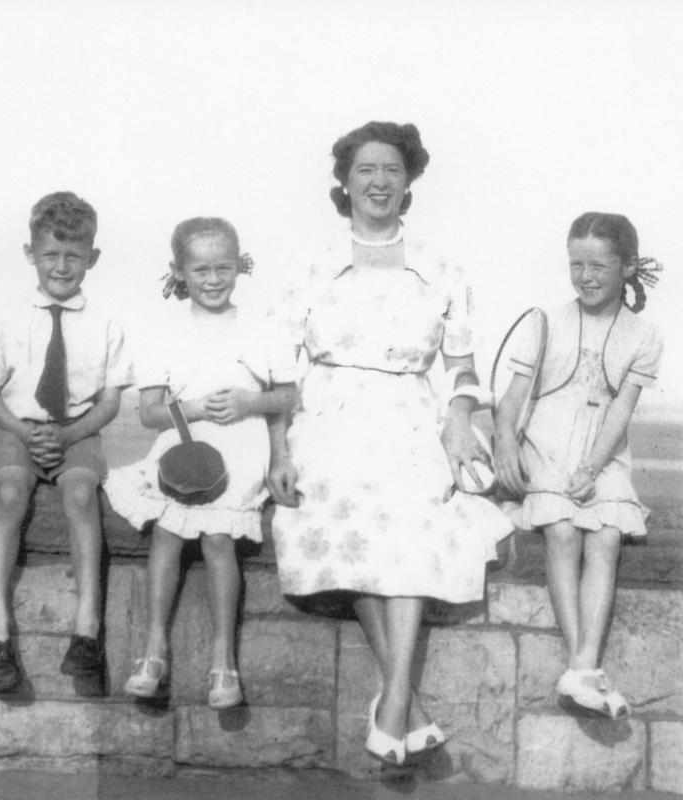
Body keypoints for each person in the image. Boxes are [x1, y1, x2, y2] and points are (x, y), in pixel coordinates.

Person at [267, 122, 512, 764]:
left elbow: (462, 367)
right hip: (327, 418)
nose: (379, 182)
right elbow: (278, 371)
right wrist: (279, 452)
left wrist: (460, 422)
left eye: (393, 171)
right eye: (366, 170)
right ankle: (404, 703)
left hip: (408, 416)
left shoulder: (442, 269)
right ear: (344, 182)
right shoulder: (311, 267)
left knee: (408, 530)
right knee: (355, 535)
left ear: (409, 185)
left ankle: (394, 702)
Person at [106, 218, 297, 709]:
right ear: (180, 272)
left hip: (243, 442)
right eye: (201, 270)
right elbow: (149, 413)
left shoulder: (262, 327)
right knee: (167, 532)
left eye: (224, 268)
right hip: (186, 441)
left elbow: (288, 395)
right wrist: (189, 409)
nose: (213, 280)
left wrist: (249, 404)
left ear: (240, 267)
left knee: (217, 537)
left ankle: (223, 659)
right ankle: (154, 649)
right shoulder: (164, 331)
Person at [494, 213, 663, 720]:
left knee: (607, 536)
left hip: (601, 453)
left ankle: (581, 665)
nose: (585, 277)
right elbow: (512, 400)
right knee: (563, 531)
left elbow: (621, 412)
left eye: (598, 266)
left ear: (627, 267)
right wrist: (505, 443)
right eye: (576, 265)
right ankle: (585, 668)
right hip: (544, 445)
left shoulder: (643, 335)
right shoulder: (544, 322)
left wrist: (592, 467)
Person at [0, 191, 131, 692]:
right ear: (30, 254)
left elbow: (109, 403)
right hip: (16, 429)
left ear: (92, 258)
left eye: (74, 256)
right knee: (10, 492)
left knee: (81, 495)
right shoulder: (9, 319)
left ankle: (87, 631)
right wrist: (24, 433)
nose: (61, 266)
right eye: (50, 255)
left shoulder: (106, 325)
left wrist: (69, 435)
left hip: (77, 431)